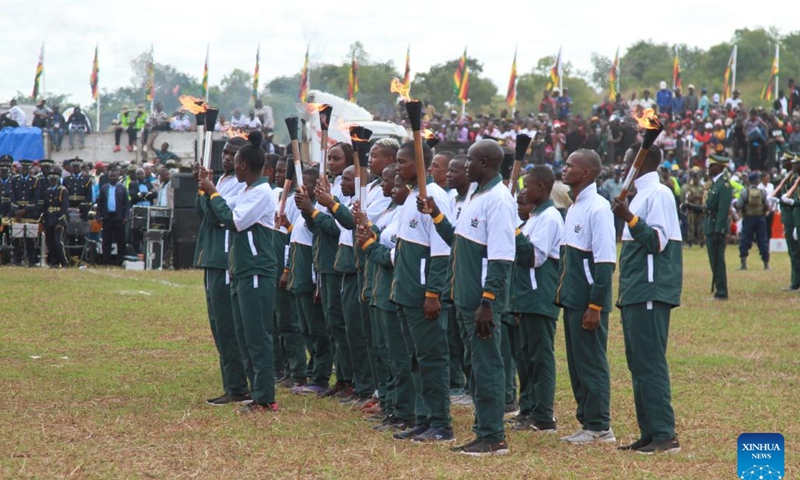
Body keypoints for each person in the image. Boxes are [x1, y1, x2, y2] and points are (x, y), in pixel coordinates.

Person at [419, 139, 516, 455]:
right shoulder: (476, 194)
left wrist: (488, 301)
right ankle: (483, 430)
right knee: (475, 366)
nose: (461, 167)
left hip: (480, 303)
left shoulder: (499, 200)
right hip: (463, 298)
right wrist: (435, 215)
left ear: (485, 163)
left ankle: (493, 437)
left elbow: (502, 256)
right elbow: (457, 239)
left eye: (471, 161)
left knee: (486, 366)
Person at [198, 131, 279, 414]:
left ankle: (265, 398)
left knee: (257, 335)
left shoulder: (261, 192)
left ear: (243, 165)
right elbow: (220, 213)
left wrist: (213, 192)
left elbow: (235, 221)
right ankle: (253, 392)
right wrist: (209, 192)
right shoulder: (248, 190)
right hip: (242, 268)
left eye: (236, 161)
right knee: (244, 333)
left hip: (257, 269)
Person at [611, 144, 682, 454]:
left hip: (651, 289)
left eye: (628, 161)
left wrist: (628, 217)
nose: (623, 166)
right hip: (635, 290)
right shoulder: (639, 196)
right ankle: (649, 433)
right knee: (637, 363)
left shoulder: (660, 194)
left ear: (641, 163)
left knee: (650, 363)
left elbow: (657, 240)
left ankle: (665, 434)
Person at [383, 140, 454, 444]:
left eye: (403, 162)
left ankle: (441, 423)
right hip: (406, 292)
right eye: (397, 162)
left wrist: (433, 293)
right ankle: (423, 419)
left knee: (432, 359)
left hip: (423, 295)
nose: (398, 167)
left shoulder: (433, 196)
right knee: (416, 359)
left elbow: (441, 249)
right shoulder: (412, 196)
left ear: (420, 164)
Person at [555, 149, 616, 445]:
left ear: (587, 173)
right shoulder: (575, 206)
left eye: (570, 165)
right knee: (578, 363)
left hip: (588, 303)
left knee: (591, 361)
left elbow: (605, 261)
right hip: (573, 300)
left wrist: (595, 304)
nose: (564, 169)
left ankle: (600, 426)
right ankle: (587, 422)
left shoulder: (598, 208)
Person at [293, 142, 355, 399]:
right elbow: (318, 226)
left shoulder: (347, 192)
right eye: (329, 158)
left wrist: (316, 211)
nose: (331, 163)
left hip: (337, 264)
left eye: (336, 159)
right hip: (323, 264)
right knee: (332, 325)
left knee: (342, 327)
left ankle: (350, 380)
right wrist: (308, 209)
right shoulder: (331, 190)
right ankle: (341, 379)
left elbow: (338, 227)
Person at [193, 137, 249, 406]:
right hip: (211, 257)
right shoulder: (224, 181)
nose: (227, 158)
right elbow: (203, 214)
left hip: (225, 259)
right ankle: (231, 383)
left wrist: (210, 191)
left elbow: (221, 218)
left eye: (232, 154)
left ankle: (238, 386)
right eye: (225, 153)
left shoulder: (242, 186)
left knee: (227, 325)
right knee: (217, 325)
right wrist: (203, 191)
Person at [509, 166, 564, 433]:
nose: (523, 190)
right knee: (525, 356)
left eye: (527, 185)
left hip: (539, 296)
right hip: (524, 297)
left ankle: (544, 415)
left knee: (540, 357)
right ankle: (528, 408)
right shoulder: (532, 217)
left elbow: (534, 257)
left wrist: (514, 230)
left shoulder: (550, 218)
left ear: (541, 188)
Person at [704, 154, 733, 300]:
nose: (709, 168)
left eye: (712, 165)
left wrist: (718, 230)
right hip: (710, 226)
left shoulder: (724, 185)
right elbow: (709, 206)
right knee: (713, 259)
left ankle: (722, 291)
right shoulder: (715, 184)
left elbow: (722, 210)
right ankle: (718, 289)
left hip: (717, 227)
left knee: (718, 260)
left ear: (721, 167)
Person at [10, 159, 42, 266]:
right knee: (17, 238)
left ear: (30, 169)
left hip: (29, 213)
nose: (25, 170)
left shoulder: (35, 180)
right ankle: (17, 260)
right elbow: (12, 196)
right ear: (20, 169)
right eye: (23, 168)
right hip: (17, 212)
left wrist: (24, 210)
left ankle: (32, 261)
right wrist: (16, 211)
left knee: (30, 239)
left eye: (27, 169)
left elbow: (35, 198)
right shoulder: (14, 179)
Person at [736, 172, 770, 270]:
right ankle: (766, 264)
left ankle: (743, 264)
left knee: (745, 240)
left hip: (748, 218)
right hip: (760, 219)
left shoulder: (744, 192)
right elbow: (767, 206)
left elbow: (739, 205)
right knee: (763, 240)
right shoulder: (762, 192)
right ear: (757, 180)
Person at [776, 152, 800, 290]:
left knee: (795, 251)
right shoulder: (790, 177)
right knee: (793, 251)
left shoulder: (794, 179)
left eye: (786, 161)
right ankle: (794, 280)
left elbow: (794, 201)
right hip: (790, 218)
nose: (783, 163)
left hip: (793, 219)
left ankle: (796, 282)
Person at [97, 167, 129, 266]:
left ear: (117, 177)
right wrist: (98, 215)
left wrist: (126, 216)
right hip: (107, 217)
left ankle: (120, 260)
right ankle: (106, 260)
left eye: (114, 176)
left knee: (120, 240)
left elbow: (127, 204)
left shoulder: (122, 188)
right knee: (106, 240)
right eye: (110, 176)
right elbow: (100, 203)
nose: (112, 178)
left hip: (119, 217)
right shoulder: (104, 188)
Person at [42, 166, 69, 268]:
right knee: (50, 242)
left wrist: (61, 221)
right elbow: (45, 206)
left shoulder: (62, 190)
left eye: (54, 179)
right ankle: (54, 262)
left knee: (58, 242)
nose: (52, 181)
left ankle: (64, 261)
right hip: (49, 218)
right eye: (51, 179)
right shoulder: (48, 191)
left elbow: (64, 207)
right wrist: (43, 219)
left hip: (58, 218)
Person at [682, 170, 705, 247]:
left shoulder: (701, 188)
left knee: (700, 226)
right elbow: (688, 198)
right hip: (691, 209)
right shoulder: (689, 188)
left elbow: (704, 197)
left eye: (698, 178)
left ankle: (701, 241)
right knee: (691, 226)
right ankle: (690, 241)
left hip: (699, 208)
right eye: (695, 178)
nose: (696, 180)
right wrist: (696, 197)